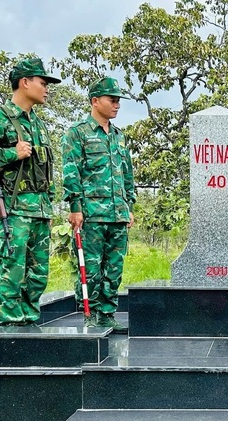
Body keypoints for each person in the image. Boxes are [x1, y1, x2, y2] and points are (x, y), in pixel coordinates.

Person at [0, 57, 60, 326]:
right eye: (42, 83)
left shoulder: (38, 124)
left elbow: (45, 168)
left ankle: (30, 324)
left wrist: (49, 205)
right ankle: (10, 330)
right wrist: (12, 153)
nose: (46, 89)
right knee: (11, 273)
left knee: (37, 275)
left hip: (40, 211)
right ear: (25, 82)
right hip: (14, 209)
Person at [62, 77, 136, 333]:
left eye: (118, 101)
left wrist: (129, 206)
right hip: (91, 215)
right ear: (95, 101)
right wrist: (75, 207)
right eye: (111, 100)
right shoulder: (78, 133)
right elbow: (72, 171)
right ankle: (90, 315)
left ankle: (107, 314)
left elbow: (127, 174)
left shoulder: (119, 136)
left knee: (114, 268)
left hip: (117, 214)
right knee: (90, 268)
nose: (117, 105)